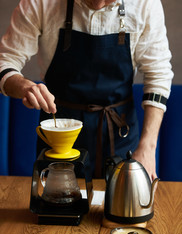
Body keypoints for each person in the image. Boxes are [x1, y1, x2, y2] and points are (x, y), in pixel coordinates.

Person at [0, 0, 173, 180]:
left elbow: (158, 75)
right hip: (59, 138)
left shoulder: (145, 4)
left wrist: (148, 147)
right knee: (57, 205)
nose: (98, 4)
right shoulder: (41, 3)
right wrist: (23, 86)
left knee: (121, 206)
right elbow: (5, 61)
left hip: (121, 136)